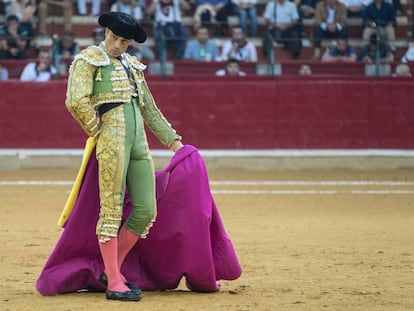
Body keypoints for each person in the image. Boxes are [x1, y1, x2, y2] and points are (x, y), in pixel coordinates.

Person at [64, 11, 183, 301]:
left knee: (146, 209)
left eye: (124, 41)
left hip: (138, 144)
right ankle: (114, 280)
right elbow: (75, 101)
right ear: (105, 33)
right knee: (111, 210)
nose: (118, 45)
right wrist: (97, 131)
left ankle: (111, 268)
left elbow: (149, 109)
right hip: (112, 141)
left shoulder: (132, 65)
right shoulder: (88, 59)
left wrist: (175, 143)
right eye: (114, 38)